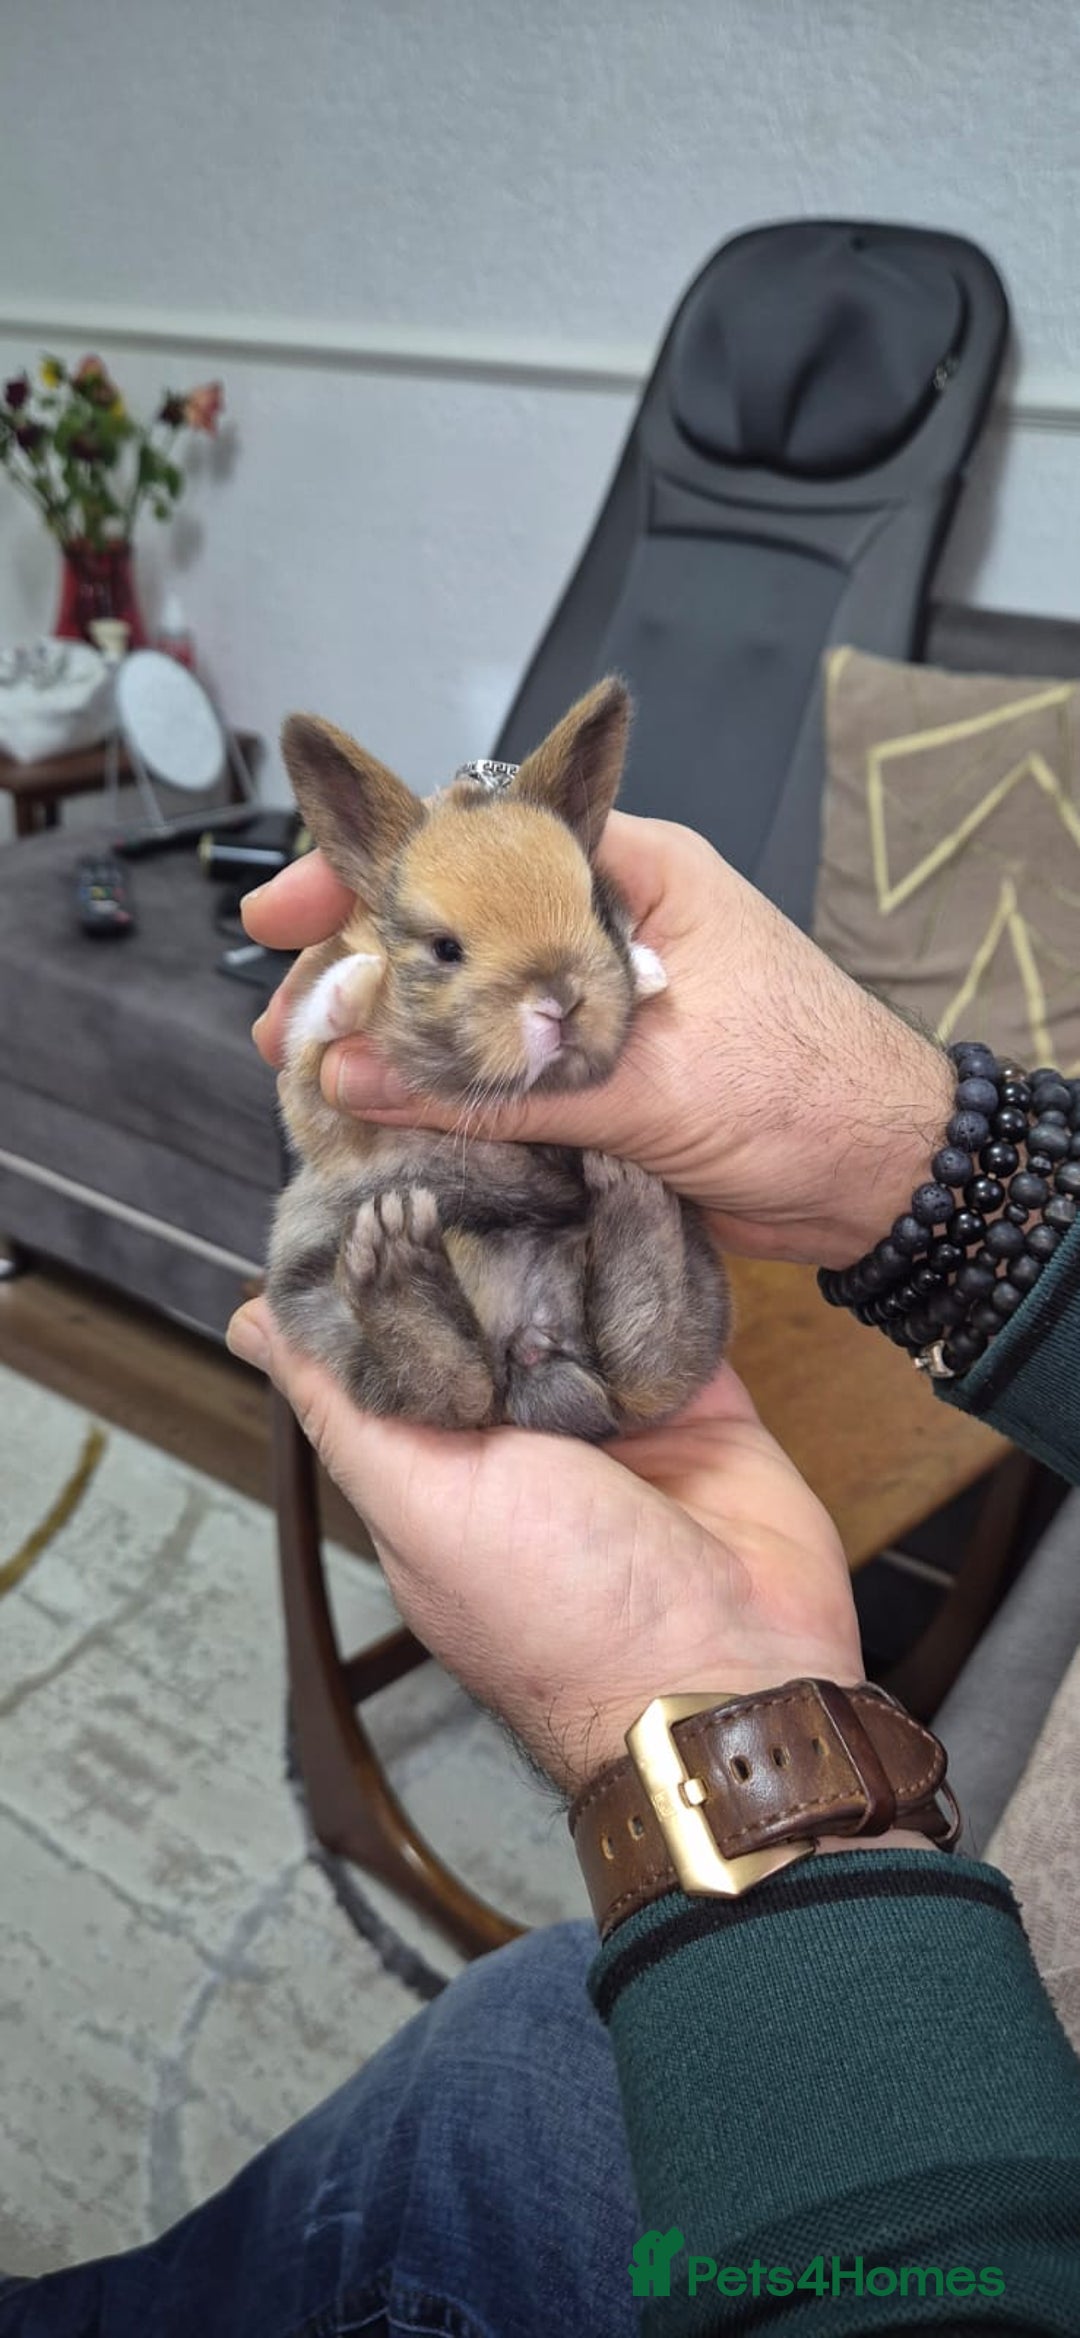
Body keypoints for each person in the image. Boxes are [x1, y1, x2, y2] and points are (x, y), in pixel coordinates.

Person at [3, 811, 1079, 2338]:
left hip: (585, 1322)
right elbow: (331, 1117)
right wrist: (937, 1161)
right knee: (520, 2017)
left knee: (504, 2059)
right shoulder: (375, 1020)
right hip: (480, 1283)